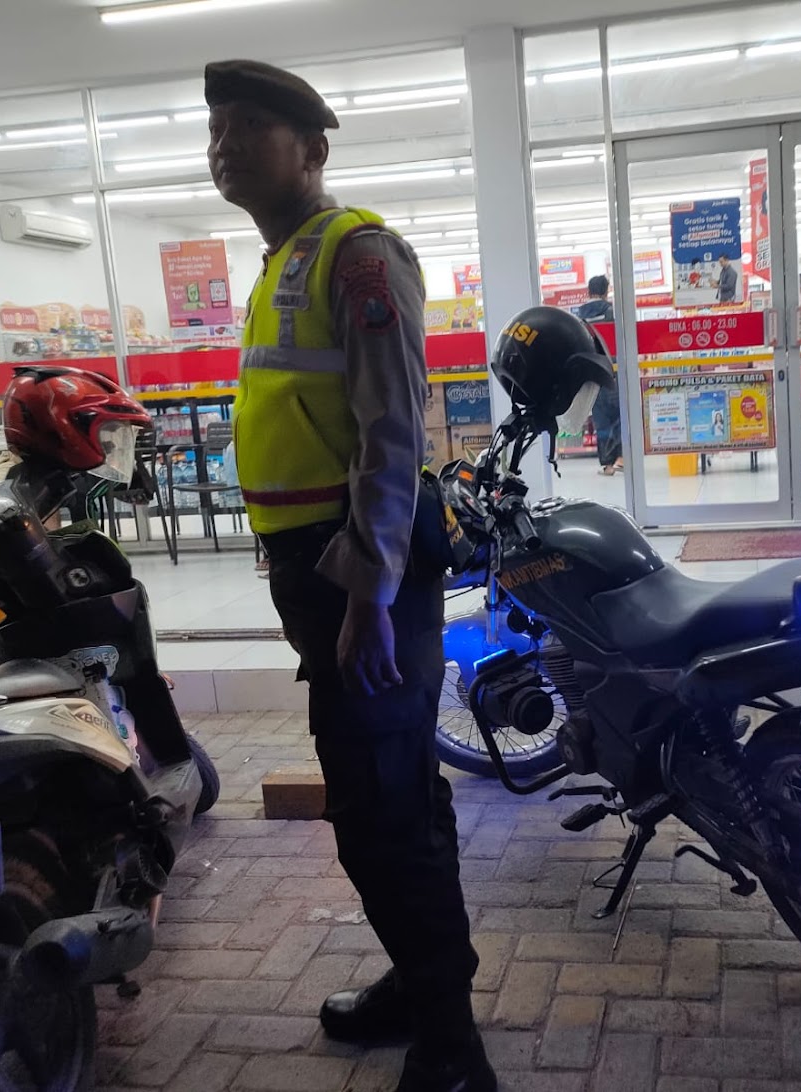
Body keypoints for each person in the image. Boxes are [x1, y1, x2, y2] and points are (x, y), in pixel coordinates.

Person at [204, 60, 491, 1092]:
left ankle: (452, 1048)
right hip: (321, 571)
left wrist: (368, 595)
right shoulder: (282, 261)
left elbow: (391, 432)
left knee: (379, 810)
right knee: (392, 792)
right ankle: (424, 985)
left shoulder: (357, 254)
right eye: (217, 131)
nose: (226, 147)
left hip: (366, 575)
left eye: (250, 127)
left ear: (313, 150)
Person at [575, 275, 621, 474]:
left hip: (593, 375)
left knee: (601, 420)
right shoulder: (611, 312)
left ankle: (607, 464)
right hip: (613, 371)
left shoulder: (579, 316)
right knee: (619, 416)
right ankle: (621, 459)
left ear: (589, 291)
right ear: (605, 291)